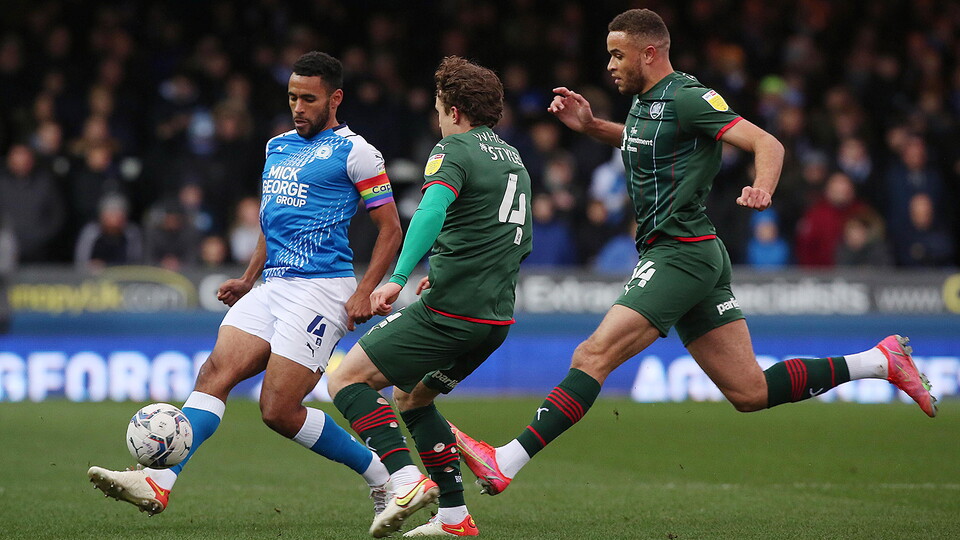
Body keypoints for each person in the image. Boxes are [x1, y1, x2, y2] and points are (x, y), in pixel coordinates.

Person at [449, 8, 938, 500]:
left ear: (649, 52)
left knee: (591, 355)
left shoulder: (687, 97)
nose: (610, 65)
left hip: (680, 254)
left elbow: (767, 142)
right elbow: (640, 140)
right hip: (693, 255)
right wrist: (593, 125)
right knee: (750, 392)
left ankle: (505, 460)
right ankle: (880, 361)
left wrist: (762, 188)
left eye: (617, 55)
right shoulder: (645, 102)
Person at [87, 51, 403, 517]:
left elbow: (391, 229)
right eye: (293, 97)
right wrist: (248, 277)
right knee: (215, 374)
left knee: (278, 410)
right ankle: (158, 481)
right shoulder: (277, 146)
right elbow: (272, 219)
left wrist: (363, 290)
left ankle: (385, 477)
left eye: (309, 99)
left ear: (335, 98)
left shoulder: (356, 152)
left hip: (321, 289)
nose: (298, 107)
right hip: (272, 285)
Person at [326, 56, 532, 538]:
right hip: (495, 319)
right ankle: (455, 518)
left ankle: (405, 480)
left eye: (440, 109)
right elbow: (512, 240)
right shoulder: (514, 159)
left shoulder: (452, 150)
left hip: (450, 314)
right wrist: (448, 272)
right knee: (413, 400)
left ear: (455, 111)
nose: (438, 119)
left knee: (347, 381)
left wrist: (398, 276)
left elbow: (430, 212)